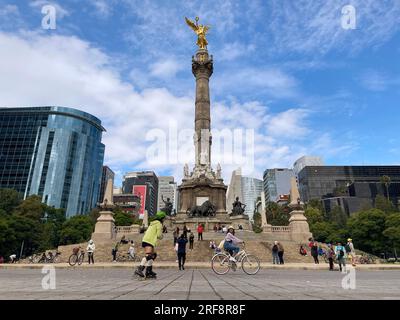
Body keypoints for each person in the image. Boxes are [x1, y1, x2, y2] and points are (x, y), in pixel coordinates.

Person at [134, 211, 166, 278]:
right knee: (148, 255)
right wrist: (162, 235)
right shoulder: (159, 224)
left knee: (153, 255)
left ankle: (149, 270)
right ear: (162, 218)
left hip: (146, 239)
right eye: (164, 218)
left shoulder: (152, 223)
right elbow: (159, 235)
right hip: (150, 241)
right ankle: (140, 269)